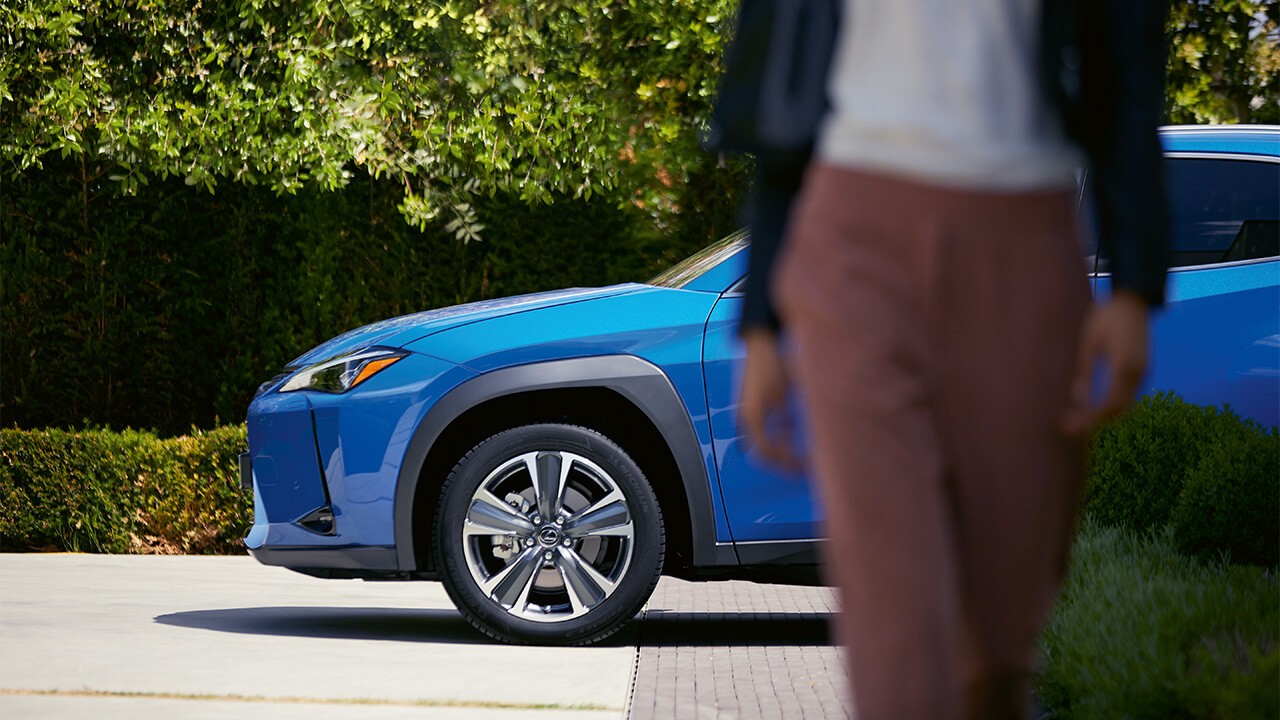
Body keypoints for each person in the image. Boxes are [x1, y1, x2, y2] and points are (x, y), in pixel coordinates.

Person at [734, 0, 1171, 718]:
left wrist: (1134, 287)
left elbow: (1125, 81)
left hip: (1024, 244)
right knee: (899, 631)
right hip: (851, 239)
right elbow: (779, 90)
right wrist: (760, 329)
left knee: (997, 649)